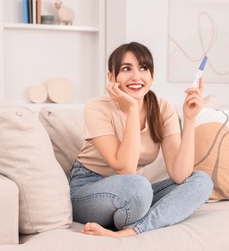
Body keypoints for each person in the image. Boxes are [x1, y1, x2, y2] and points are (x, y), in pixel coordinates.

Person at [69, 41, 213, 237]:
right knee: (138, 186)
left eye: (143, 68)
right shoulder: (96, 107)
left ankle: (132, 231)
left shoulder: (163, 109)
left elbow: (180, 175)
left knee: (201, 181)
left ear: (152, 77)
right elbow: (126, 168)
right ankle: (137, 221)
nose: (136, 76)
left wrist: (189, 120)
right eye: (126, 69)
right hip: (89, 190)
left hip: (133, 197)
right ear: (111, 77)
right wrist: (131, 108)